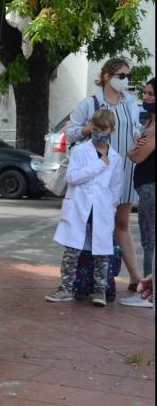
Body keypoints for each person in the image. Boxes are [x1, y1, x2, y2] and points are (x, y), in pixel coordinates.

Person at [65, 58, 143, 291]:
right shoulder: (90, 103)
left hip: (125, 168)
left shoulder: (129, 101)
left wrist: (138, 136)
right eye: (121, 75)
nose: (125, 80)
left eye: (128, 75)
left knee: (122, 223)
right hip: (98, 171)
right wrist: (87, 129)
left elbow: (135, 127)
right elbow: (70, 132)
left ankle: (135, 277)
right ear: (107, 76)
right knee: (96, 226)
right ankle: (91, 279)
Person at [47, 110, 124, 306]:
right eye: (95, 130)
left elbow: (116, 188)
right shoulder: (80, 151)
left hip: (102, 208)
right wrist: (98, 165)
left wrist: (110, 209)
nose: (99, 134)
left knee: (102, 251)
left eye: (103, 130)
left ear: (112, 130)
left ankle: (100, 291)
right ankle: (66, 288)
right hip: (79, 206)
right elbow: (73, 177)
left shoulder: (115, 158)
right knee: (72, 250)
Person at [120, 77, 155, 308]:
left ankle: (148, 294)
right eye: (145, 93)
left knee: (150, 239)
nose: (146, 97)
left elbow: (138, 155)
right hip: (145, 187)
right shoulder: (150, 122)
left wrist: (133, 152)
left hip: (151, 187)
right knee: (148, 238)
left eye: (151, 94)